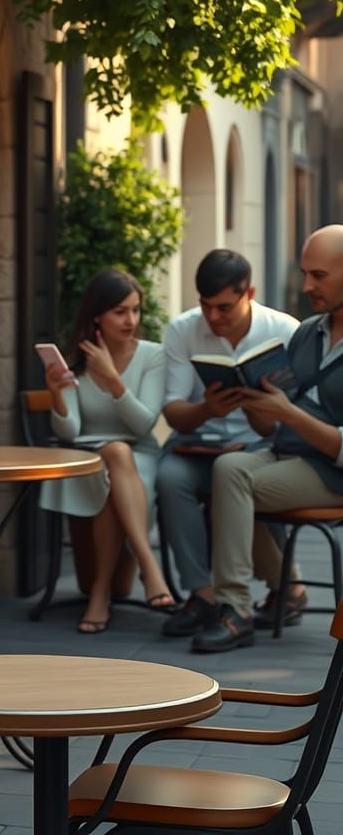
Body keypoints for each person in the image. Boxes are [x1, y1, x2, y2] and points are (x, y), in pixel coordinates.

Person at [192, 226, 343, 652]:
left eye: (319, 276)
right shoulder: (307, 332)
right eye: (305, 274)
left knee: (234, 482)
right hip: (286, 452)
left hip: (331, 471)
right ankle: (282, 590)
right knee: (226, 468)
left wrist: (288, 413)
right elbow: (272, 428)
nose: (307, 285)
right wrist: (253, 404)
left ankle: (235, 609)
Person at [156, 250, 299, 639]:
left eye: (223, 308)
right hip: (197, 442)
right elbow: (173, 412)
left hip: (260, 444)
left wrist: (258, 411)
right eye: (205, 306)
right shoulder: (183, 329)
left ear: (248, 292)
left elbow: (291, 420)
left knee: (232, 477)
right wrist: (206, 409)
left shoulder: (285, 330)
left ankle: (270, 592)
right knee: (169, 477)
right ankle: (201, 593)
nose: (213, 318)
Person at [41, 268, 171, 634]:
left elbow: (143, 425)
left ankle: (99, 593)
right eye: (120, 312)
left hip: (139, 455)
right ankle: (149, 565)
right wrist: (56, 392)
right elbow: (71, 430)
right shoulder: (76, 359)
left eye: (135, 310)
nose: (131, 320)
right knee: (111, 457)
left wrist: (113, 380)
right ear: (97, 314)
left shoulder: (153, 356)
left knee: (117, 456)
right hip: (86, 457)